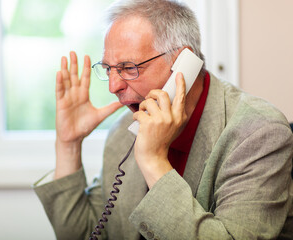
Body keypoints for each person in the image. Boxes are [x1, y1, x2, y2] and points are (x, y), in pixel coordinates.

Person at [34, 0, 293, 239]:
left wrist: (153, 161)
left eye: (128, 67)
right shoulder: (123, 131)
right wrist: (69, 144)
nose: (113, 85)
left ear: (184, 63)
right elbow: (87, 234)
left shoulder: (259, 133)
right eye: (109, 69)